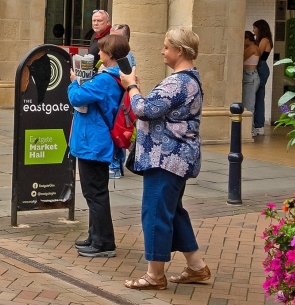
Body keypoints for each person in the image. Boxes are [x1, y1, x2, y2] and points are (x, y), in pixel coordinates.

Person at [119, 28, 210, 291]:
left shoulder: (177, 82)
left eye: (166, 46)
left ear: (179, 51)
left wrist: (132, 86)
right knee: (174, 211)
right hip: (178, 157)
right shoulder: (190, 79)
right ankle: (196, 266)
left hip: (166, 157)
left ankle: (154, 275)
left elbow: (143, 110)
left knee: (156, 212)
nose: (162, 51)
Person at [68, 32, 127, 258]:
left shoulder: (105, 79)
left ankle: (103, 242)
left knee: (95, 193)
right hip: (94, 140)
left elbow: (77, 98)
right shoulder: (112, 76)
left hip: (94, 141)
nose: (98, 53)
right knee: (94, 192)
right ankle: (95, 236)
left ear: (110, 54)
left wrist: (74, 83)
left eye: (101, 50)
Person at [251, 19, 273, 139]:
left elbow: (257, 53)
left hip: (261, 67)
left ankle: (259, 124)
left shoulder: (264, 40)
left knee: (259, 96)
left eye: (255, 28)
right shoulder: (264, 39)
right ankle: (258, 124)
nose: (253, 30)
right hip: (261, 67)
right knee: (259, 95)